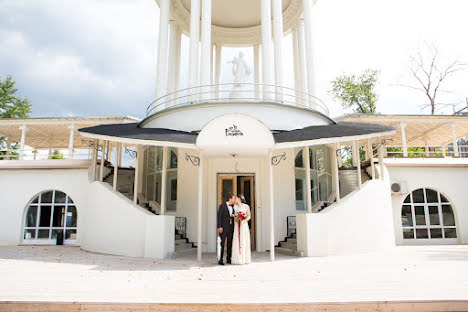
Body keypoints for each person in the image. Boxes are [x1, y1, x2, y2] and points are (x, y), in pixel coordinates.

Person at [231, 195, 251, 265]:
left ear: (239, 199)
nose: (235, 199)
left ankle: (244, 258)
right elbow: (234, 216)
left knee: (243, 240)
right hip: (237, 225)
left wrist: (243, 221)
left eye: (236, 198)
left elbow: (249, 216)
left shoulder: (246, 206)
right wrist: (236, 220)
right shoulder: (235, 207)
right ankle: (237, 258)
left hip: (243, 225)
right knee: (237, 240)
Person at [217, 193, 236, 265]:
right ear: (230, 199)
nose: (234, 200)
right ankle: (220, 259)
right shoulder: (222, 206)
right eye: (233, 198)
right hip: (223, 228)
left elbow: (233, 216)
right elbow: (219, 217)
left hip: (231, 228)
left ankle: (228, 259)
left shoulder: (233, 207)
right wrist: (219, 226)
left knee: (229, 244)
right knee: (222, 244)